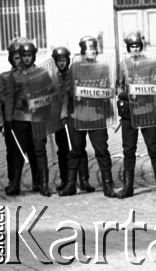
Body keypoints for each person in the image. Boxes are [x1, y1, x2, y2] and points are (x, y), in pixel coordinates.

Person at [59, 36, 117, 197]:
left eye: (93, 49)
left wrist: (111, 115)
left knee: (102, 150)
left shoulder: (102, 67)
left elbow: (106, 92)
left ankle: (108, 185)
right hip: (77, 114)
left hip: (97, 115)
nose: (91, 52)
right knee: (75, 150)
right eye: (88, 49)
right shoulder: (75, 67)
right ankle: (71, 184)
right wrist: (64, 112)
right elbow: (66, 92)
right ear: (83, 51)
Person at [116, 31, 156, 198]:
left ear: (142, 47)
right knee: (128, 149)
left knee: (153, 148)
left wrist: (144, 91)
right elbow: (118, 87)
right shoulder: (123, 64)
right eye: (132, 47)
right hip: (130, 112)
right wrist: (125, 94)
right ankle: (128, 186)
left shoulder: (152, 64)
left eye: (137, 46)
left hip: (148, 110)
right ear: (128, 48)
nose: (135, 49)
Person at [4, 40, 51, 197]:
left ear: (34, 56)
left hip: (37, 117)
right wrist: (8, 119)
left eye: (29, 55)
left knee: (39, 149)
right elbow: (9, 97)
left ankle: (43, 184)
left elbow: (49, 95)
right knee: (18, 151)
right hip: (20, 116)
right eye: (23, 56)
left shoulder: (43, 73)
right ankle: (15, 184)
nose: (26, 59)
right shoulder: (14, 75)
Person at [52, 46, 95, 193]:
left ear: (68, 61)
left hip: (74, 116)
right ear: (55, 63)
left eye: (64, 60)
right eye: (59, 61)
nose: (62, 64)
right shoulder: (53, 78)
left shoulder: (74, 74)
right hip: (59, 120)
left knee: (79, 147)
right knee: (62, 150)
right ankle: (65, 180)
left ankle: (84, 180)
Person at [0, 40, 23, 193]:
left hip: (27, 118)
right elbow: (0, 96)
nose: (19, 61)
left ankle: (38, 180)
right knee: (12, 152)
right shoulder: (5, 77)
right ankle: (12, 180)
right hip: (11, 118)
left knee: (34, 151)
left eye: (22, 57)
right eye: (16, 58)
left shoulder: (32, 74)